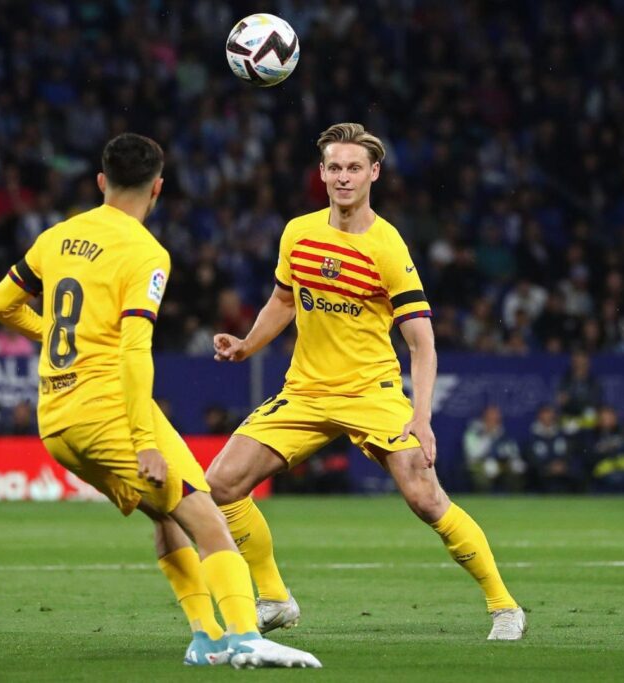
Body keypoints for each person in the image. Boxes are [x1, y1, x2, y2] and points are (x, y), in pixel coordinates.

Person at [0, 133, 319, 669]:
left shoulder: (57, 236)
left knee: (165, 517)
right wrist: (144, 440)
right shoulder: (146, 253)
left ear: (101, 181)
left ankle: (206, 638)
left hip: (57, 423)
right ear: (158, 189)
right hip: (109, 412)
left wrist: (55, 336)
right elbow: (136, 351)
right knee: (208, 516)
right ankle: (244, 637)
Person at [207, 123, 525, 641]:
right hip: (305, 392)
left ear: (374, 173)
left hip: (370, 394)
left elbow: (422, 344)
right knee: (220, 484)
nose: (344, 177)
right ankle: (274, 598)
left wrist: (420, 417)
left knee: (424, 497)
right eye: (335, 167)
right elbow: (284, 300)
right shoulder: (298, 232)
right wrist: (247, 345)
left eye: (355, 167)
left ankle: (504, 606)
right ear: (322, 173)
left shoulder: (388, 247)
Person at [463, 404, 525, 493]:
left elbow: (513, 452)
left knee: (516, 473)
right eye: (490, 418)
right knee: (482, 479)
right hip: (479, 465)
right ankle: (483, 502)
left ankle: (513, 502)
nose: (493, 421)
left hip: (501, 465)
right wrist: (487, 435)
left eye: (496, 419)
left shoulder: (502, 432)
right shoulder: (474, 432)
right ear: (484, 418)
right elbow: (474, 454)